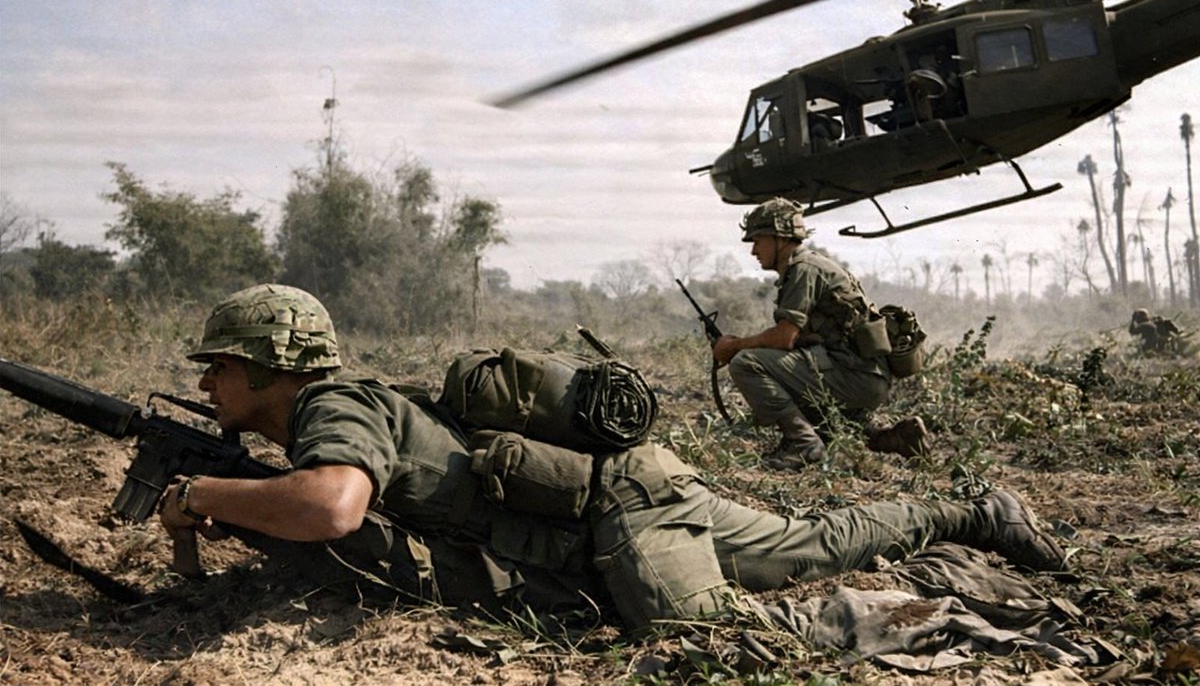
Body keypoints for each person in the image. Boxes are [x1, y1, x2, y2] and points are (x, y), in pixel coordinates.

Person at [159, 283, 1066, 634]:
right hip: (623, 495)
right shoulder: (332, 414)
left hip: (623, 514)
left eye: (219, 367)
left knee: (705, 635)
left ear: (265, 365)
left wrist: (204, 492)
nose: (206, 384)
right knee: (808, 544)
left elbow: (330, 508)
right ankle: (971, 510)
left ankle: (933, 603)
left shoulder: (332, 407)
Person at [712, 198, 926, 470]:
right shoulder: (811, 266)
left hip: (853, 375)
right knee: (788, 376)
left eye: (758, 240)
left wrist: (733, 347)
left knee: (747, 363)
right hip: (863, 376)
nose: (753, 250)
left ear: (780, 237)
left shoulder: (803, 269)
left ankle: (803, 444)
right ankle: (893, 438)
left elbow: (784, 338)